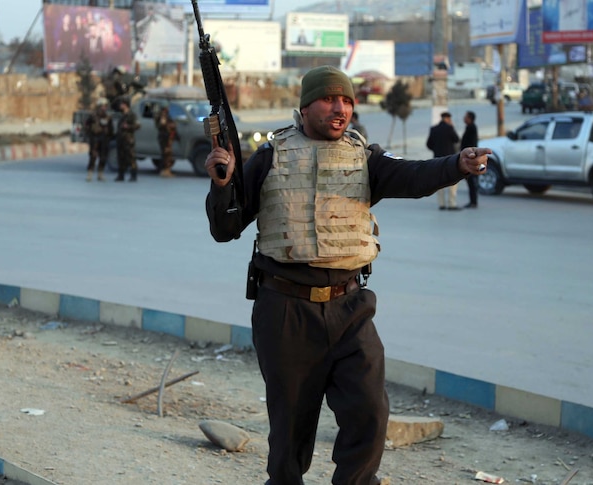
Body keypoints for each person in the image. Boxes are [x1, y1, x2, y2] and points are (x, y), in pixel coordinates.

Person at [204, 65, 488, 485]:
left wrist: (457, 165)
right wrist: (222, 184)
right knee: (289, 435)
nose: (340, 109)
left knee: (370, 411)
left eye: (348, 101)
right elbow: (225, 229)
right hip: (285, 310)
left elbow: (413, 175)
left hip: (350, 307)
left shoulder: (365, 158)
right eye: (329, 100)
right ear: (305, 106)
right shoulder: (270, 156)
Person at [426, 111, 461, 210]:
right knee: (453, 181)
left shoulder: (434, 129)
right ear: (448, 119)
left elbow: (429, 144)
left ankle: (441, 204)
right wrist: (452, 126)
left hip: (437, 159)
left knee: (439, 181)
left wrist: (436, 149)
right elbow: (456, 139)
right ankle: (452, 203)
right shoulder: (449, 128)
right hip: (450, 159)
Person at [84, 97, 114, 182]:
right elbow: (87, 124)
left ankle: (100, 174)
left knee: (103, 157)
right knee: (93, 156)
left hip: (104, 138)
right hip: (95, 138)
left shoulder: (108, 117)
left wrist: (109, 136)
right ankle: (90, 174)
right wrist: (90, 133)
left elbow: (111, 129)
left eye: (105, 106)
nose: (104, 108)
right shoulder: (93, 116)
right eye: (103, 106)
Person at [114, 97, 140, 182]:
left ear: (125, 105)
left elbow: (137, 126)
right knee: (120, 157)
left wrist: (128, 127)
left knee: (131, 157)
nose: (120, 106)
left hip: (128, 140)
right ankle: (121, 175)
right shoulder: (122, 115)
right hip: (121, 139)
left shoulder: (132, 115)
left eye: (121, 104)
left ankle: (133, 175)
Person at [460, 110, 479, 208]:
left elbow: (470, 144)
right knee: (470, 181)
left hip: (470, 158)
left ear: (470, 118)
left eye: (466, 116)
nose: (464, 118)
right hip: (469, 157)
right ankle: (473, 201)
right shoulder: (469, 127)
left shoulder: (471, 128)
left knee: (471, 181)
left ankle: (473, 202)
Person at [155, 107, 177, 178]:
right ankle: (164, 170)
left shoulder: (167, 116)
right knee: (166, 154)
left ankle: (167, 170)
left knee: (168, 154)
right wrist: (169, 125)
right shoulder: (161, 116)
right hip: (164, 138)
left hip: (168, 137)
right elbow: (162, 124)